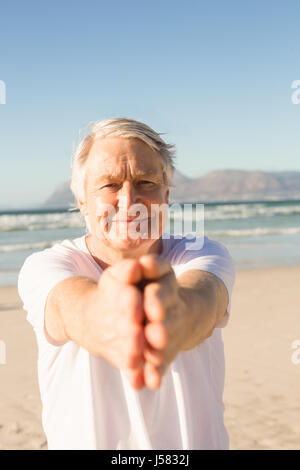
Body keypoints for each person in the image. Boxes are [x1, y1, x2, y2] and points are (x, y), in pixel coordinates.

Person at [18, 118, 236, 450]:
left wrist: (173, 316)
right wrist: (108, 315)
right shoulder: (46, 267)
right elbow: (69, 307)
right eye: (109, 185)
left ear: (166, 194)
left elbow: (204, 302)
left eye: (146, 181)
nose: (129, 198)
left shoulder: (201, 253)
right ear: (82, 199)